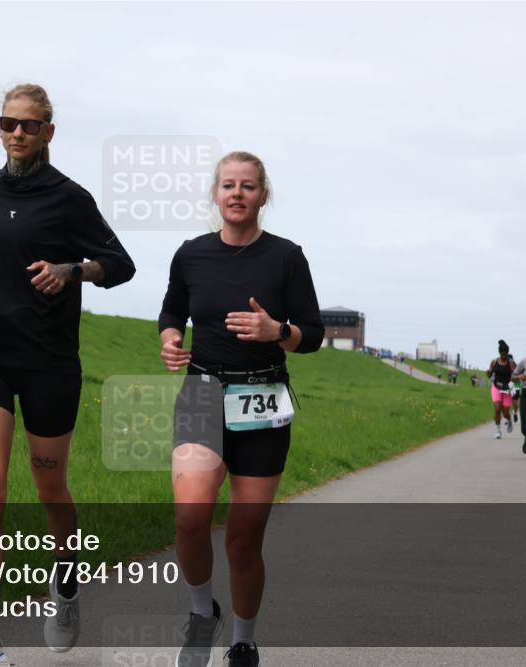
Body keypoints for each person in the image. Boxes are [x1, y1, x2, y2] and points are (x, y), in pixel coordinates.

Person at [0, 83, 136, 667]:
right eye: (7, 123)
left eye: (28, 125)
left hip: (50, 360)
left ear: (49, 132)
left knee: (50, 487)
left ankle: (66, 577)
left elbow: (121, 265)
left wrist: (70, 269)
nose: (17, 133)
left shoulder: (69, 198)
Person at [158, 151, 323, 667]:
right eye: (228, 185)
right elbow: (171, 310)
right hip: (203, 392)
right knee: (190, 517)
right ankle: (202, 612)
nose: (237, 194)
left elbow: (312, 334)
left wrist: (278, 332)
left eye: (247, 186)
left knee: (244, 537)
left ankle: (245, 641)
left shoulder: (287, 257)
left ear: (263, 195)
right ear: (216, 193)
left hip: (262, 399)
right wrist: (169, 338)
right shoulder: (191, 254)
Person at [486, 340, 516, 439]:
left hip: (507, 390)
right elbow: (489, 375)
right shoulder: (494, 362)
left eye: (505, 354)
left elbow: (515, 375)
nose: (503, 356)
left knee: (506, 412)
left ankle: (509, 419)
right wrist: (489, 372)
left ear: (507, 353)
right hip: (496, 387)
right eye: (502, 354)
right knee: (497, 409)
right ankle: (498, 430)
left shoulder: (511, 363)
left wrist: (512, 383)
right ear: (499, 353)